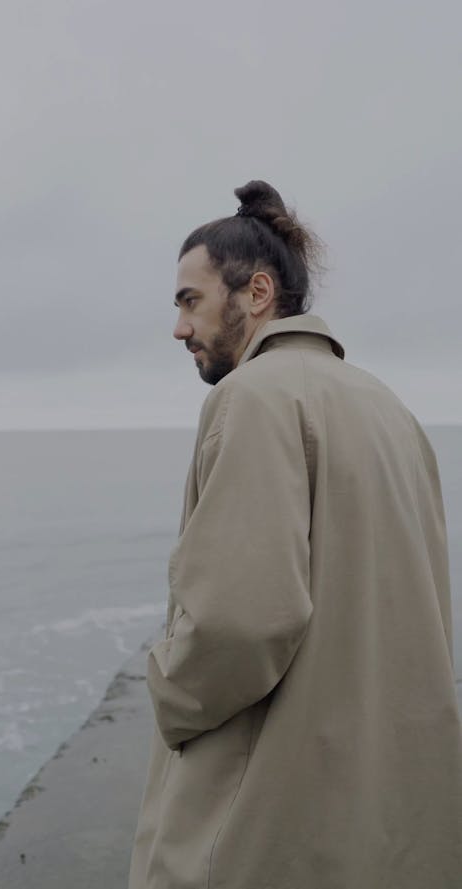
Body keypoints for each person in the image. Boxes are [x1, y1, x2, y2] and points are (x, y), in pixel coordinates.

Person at [127, 180, 462, 889]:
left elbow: (242, 621)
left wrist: (167, 685)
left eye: (190, 300)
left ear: (256, 292)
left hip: (269, 825)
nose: (179, 328)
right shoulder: (390, 409)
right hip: (382, 815)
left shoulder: (252, 397)